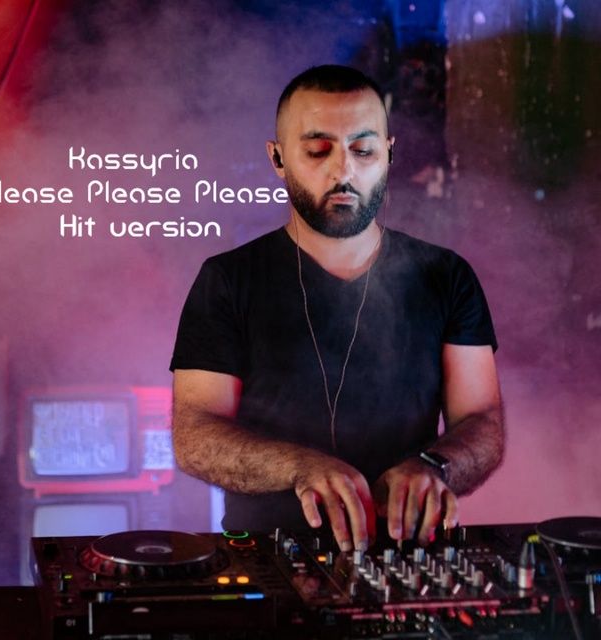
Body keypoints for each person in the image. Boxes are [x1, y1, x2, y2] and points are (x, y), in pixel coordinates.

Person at [170, 65, 504, 552]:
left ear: (388, 154)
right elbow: (195, 436)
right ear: (278, 158)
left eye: (363, 150)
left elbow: (482, 421)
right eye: (317, 150)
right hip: (268, 551)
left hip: (410, 554)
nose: (343, 171)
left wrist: (434, 466)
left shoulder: (447, 276)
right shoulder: (227, 280)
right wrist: (300, 467)